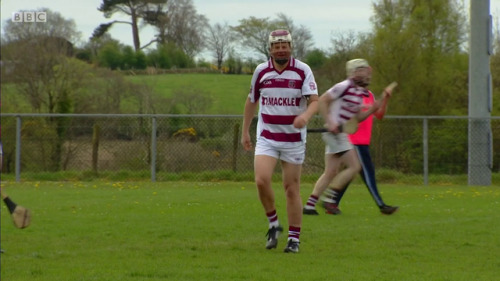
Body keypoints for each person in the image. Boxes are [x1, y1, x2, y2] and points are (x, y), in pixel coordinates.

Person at [241, 29, 319, 253]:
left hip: (293, 139)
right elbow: (251, 101)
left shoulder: (303, 70)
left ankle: (294, 239)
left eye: (284, 45)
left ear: (291, 47)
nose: (281, 49)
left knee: (291, 188)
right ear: (270, 49)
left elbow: (314, 100)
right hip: (267, 137)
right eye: (277, 46)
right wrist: (245, 131)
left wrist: (305, 116)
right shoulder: (261, 71)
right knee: (261, 180)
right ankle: (274, 224)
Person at [302, 58, 387, 216]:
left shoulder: (359, 93)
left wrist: (372, 109)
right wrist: (330, 122)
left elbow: (358, 118)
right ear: (354, 72)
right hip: (335, 133)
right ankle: (329, 199)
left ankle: (309, 205)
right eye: (362, 70)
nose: (367, 74)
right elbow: (322, 101)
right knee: (355, 167)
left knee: (330, 172)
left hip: (340, 134)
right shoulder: (344, 86)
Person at [320, 85, 399, 215]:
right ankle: (381, 205)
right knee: (369, 174)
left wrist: (385, 100)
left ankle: (331, 202)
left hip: (363, 142)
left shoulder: (370, 95)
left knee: (350, 174)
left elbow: (379, 115)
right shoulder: (351, 95)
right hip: (355, 141)